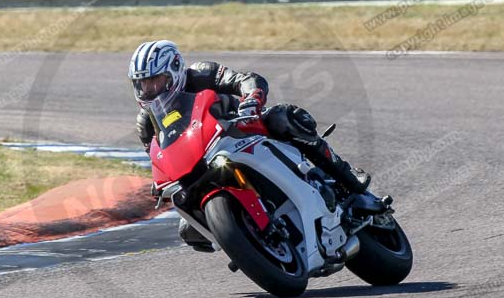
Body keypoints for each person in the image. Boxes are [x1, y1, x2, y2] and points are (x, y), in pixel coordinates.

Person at [129, 39, 370, 252]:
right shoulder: (146, 122)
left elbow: (246, 80)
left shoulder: (202, 74)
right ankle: (250, 243)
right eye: (143, 85)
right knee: (188, 231)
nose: (150, 90)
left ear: (175, 70)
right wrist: (159, 181)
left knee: (283, 117)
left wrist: (251, 99)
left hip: (241, 131)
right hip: (200, 163)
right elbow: (158, 156)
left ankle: (345, 175)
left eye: (156, 81)